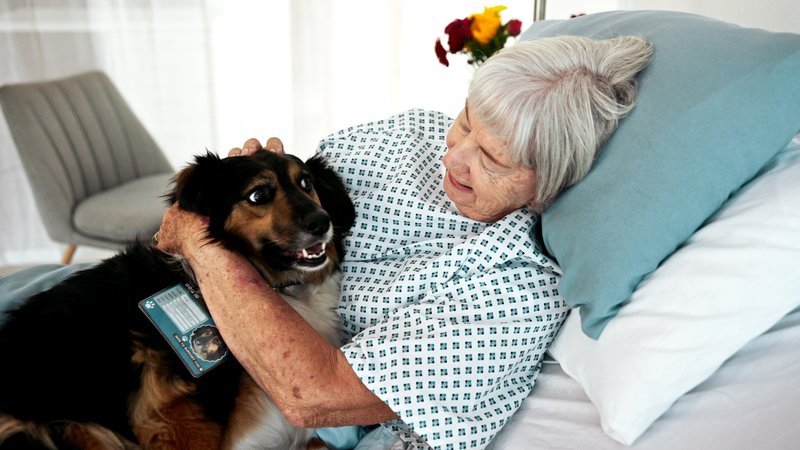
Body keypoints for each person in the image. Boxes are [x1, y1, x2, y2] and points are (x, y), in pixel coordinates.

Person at [1, 35, 653, 449]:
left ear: (549, 183)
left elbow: (313, 394)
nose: (457, 156)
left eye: (495, 159)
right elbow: (282, 182)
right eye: (466, 123)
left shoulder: (514, 287)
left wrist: (199, 244)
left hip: (252, 376)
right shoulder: (408, 138)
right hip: (157, 326)